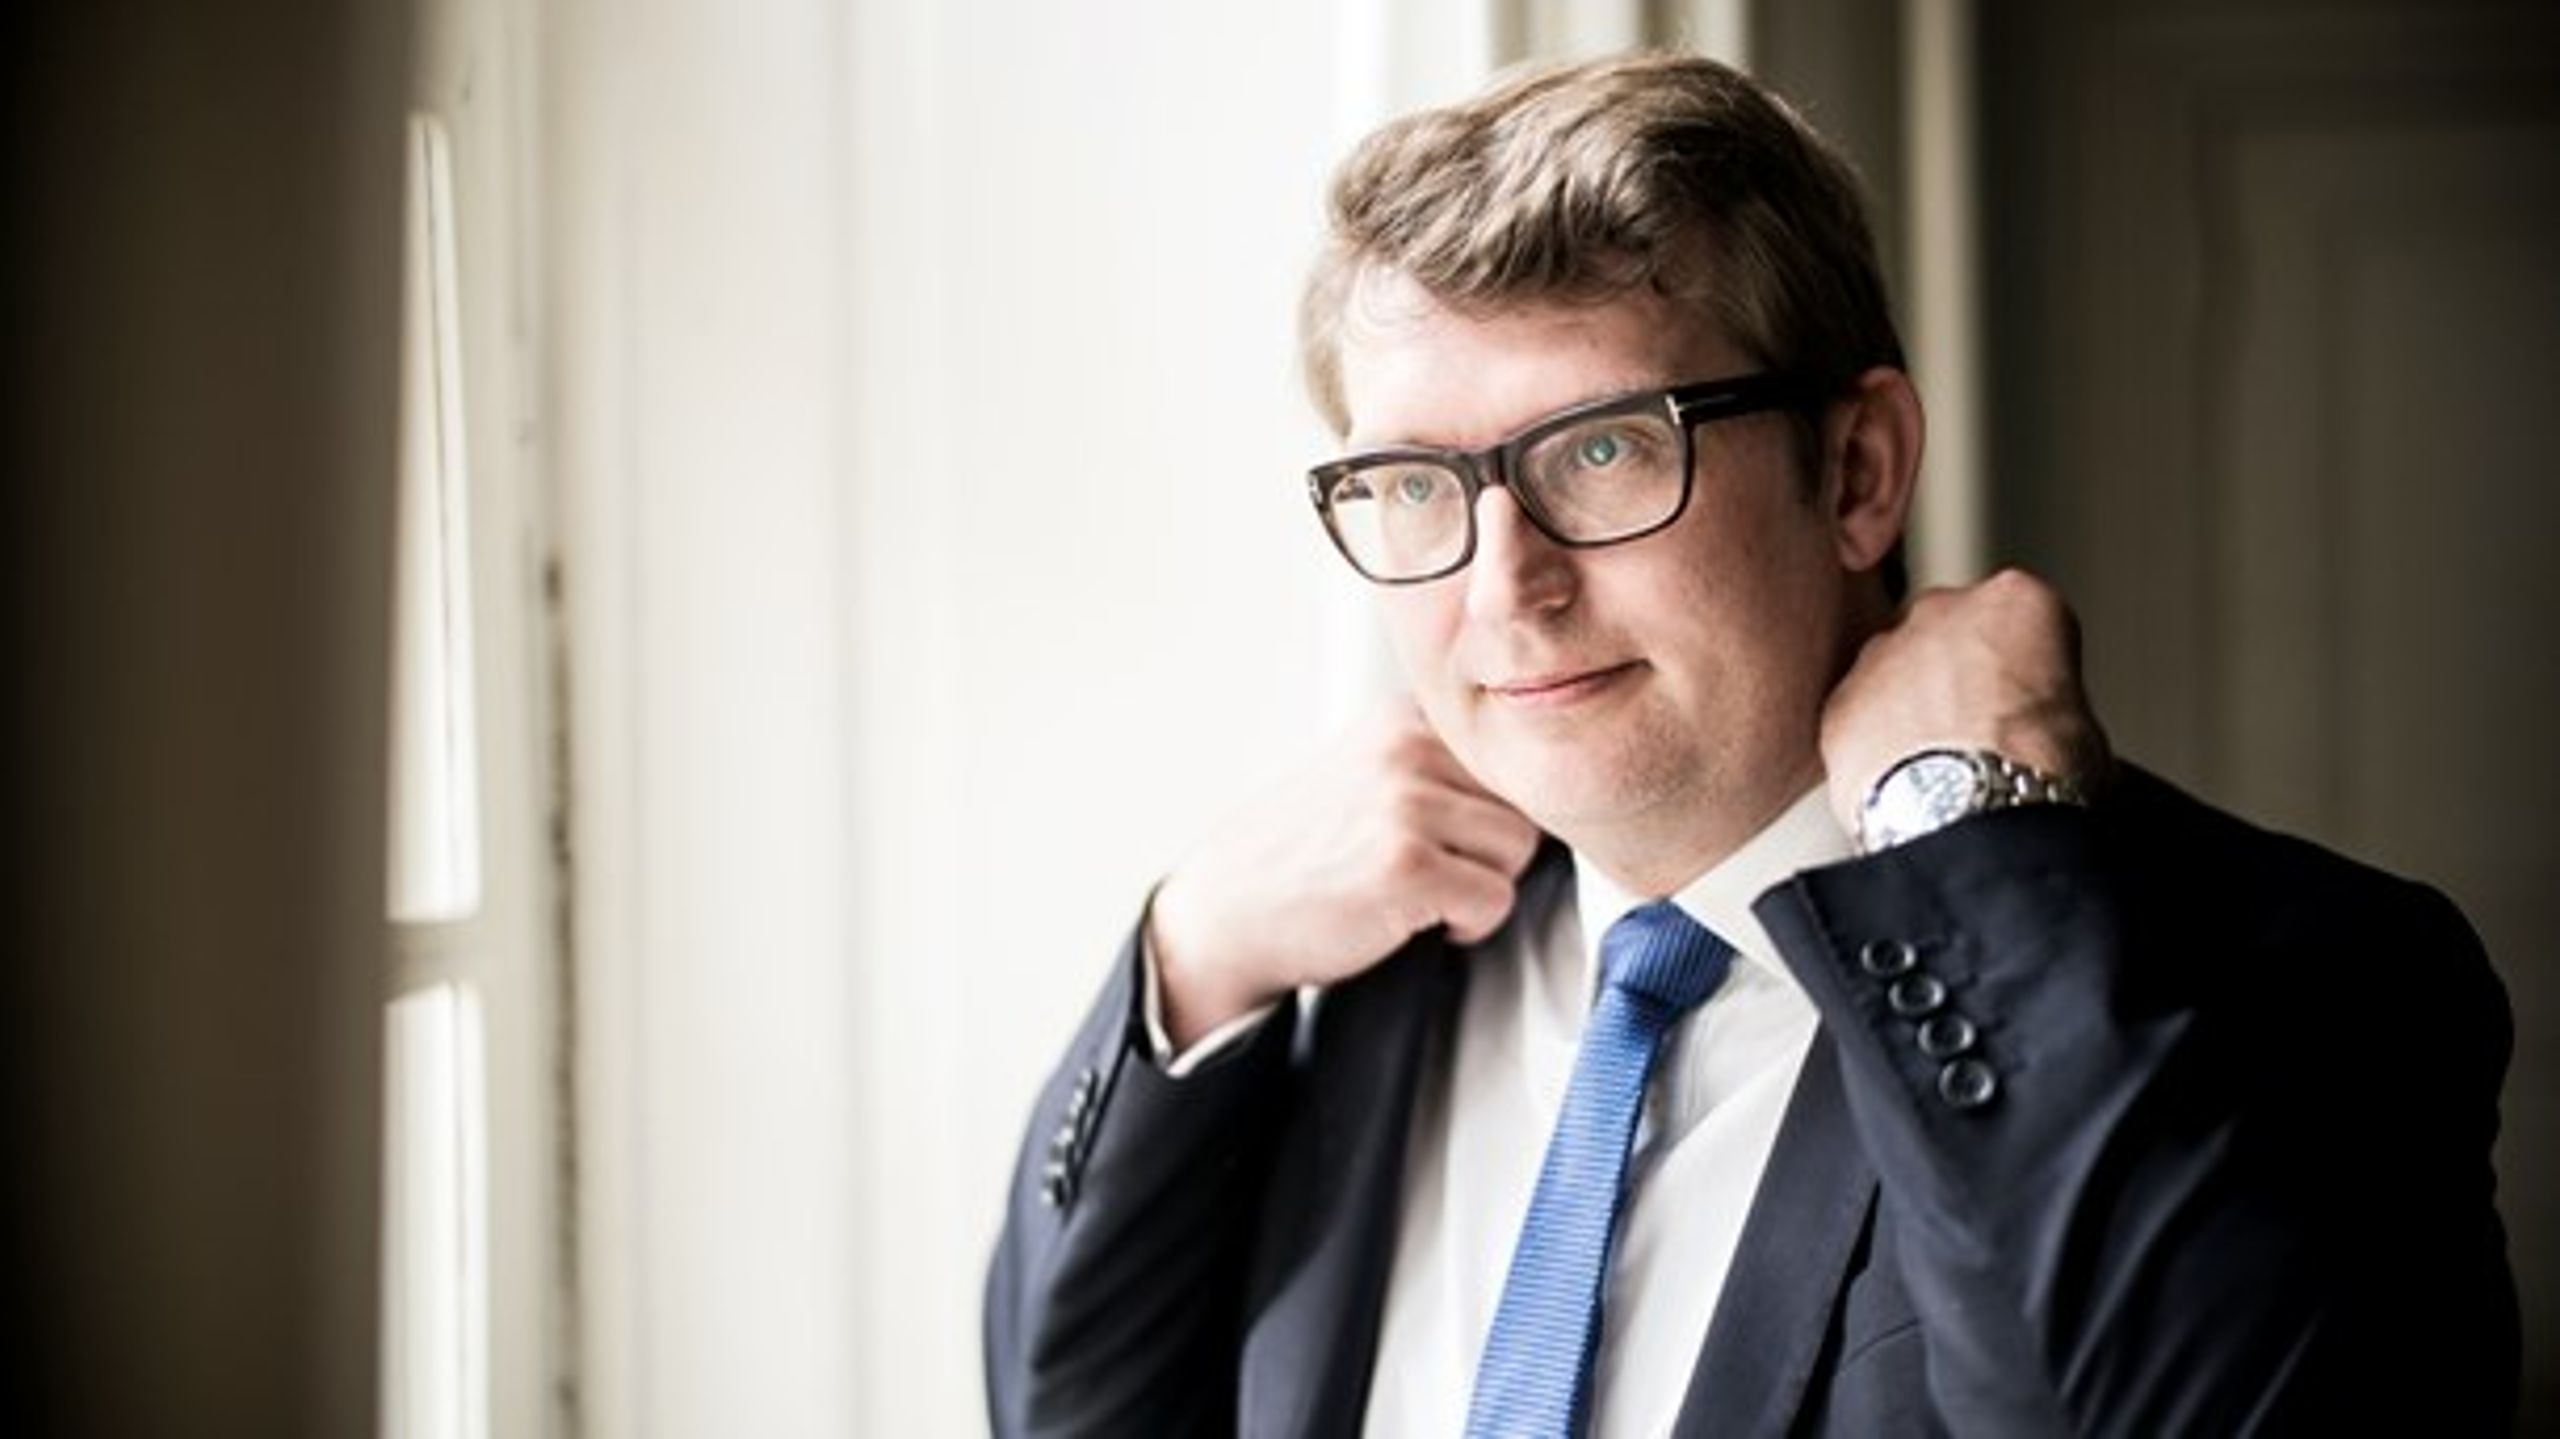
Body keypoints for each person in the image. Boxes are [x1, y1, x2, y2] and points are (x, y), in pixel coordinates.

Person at [983, 51, 2517, 1438]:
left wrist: (1966, 854)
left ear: (1858, 471)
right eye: (1413, 485)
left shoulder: (2313, 987)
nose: (1505, 587)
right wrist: (1191, 960)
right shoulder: (1342, 964)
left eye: (1604, 449)